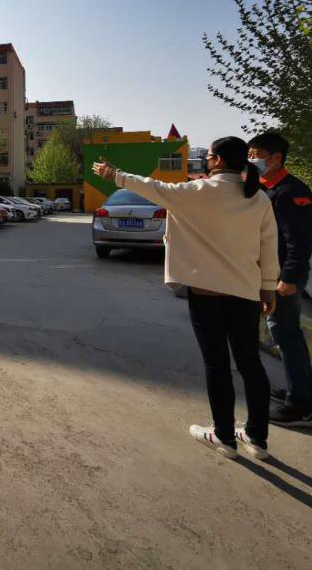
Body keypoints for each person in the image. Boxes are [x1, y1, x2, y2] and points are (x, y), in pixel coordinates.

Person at [93, 137, 279, 460]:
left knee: (217, 365)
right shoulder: (258, 198)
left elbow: (151, 187)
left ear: (217, 160)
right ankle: (257, 438)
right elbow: (268, 246)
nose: (206, 160)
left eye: (209, 155)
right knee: (251, 364)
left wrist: (114, 175)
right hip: (246, 295)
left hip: (207, 295)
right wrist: (268, 287)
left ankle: (224, 436)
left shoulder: (196, 192)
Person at [247, 132, 312, 428]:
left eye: (256, 156)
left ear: (276, 158)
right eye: (249, 155)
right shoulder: (265, 188)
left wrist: (289, 278)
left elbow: (299, 242)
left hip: (282, 278)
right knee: (283, 335)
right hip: (266, 273)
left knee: (287, 335)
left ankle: (301, 406)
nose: (252, 161)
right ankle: (297, 390)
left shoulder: (291, 192)